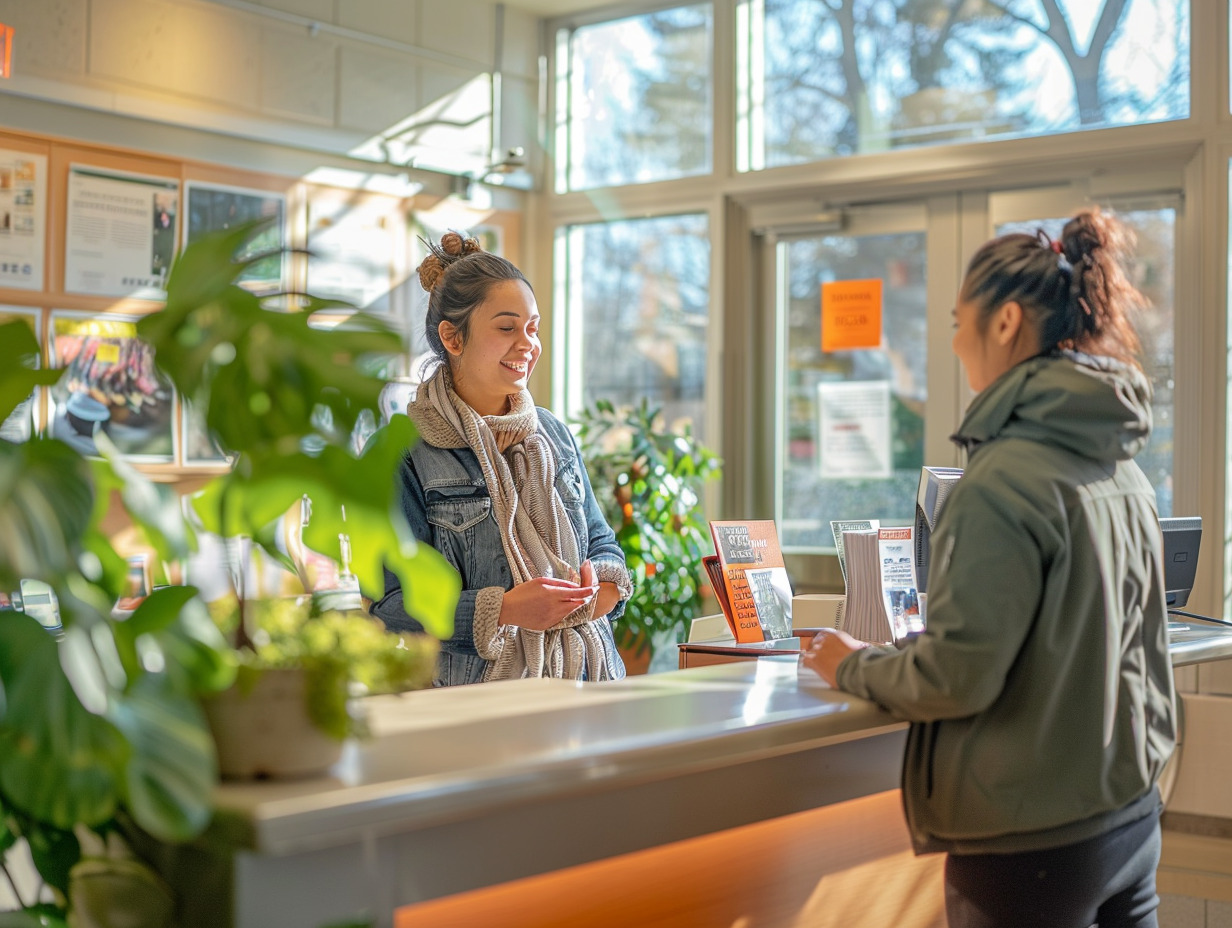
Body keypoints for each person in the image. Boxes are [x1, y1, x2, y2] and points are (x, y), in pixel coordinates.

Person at [802, 208, 1176, 928]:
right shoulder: (1118, 465)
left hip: (1030, 841)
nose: (951, 340)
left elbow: (957, 676)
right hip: (1127, 817)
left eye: (955, 319)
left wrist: (851, 664)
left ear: (1004, 323)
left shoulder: (1003, 481)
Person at [370, 231, 632, 686]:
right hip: (472, 704)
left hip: (587, 686)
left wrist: (600, 588)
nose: (527, 343)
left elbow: (602, 544)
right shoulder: (399, 454)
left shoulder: (553, 434)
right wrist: (508, 609)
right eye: (507, 328)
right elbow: (390, 605)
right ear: (453, 337)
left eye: (533, 328)